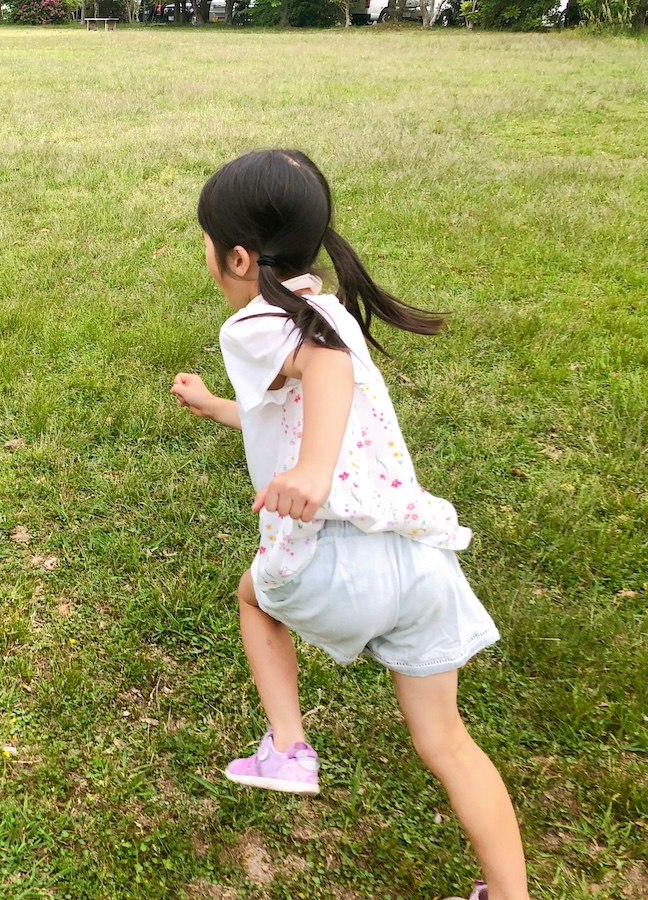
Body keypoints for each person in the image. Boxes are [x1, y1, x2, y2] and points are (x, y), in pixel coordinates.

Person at [170, 149, 529, 900]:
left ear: (237, 256)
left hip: (336, 558)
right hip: (419, 562)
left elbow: (325, 374)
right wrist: (216, 407)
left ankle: (290, 748)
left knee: (250, 599)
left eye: (206, 239)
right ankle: (510, 894)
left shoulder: (257, 325)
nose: (203, 252)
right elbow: (295, 403)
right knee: (449, 743)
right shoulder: (322, 307)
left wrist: (312, 474)